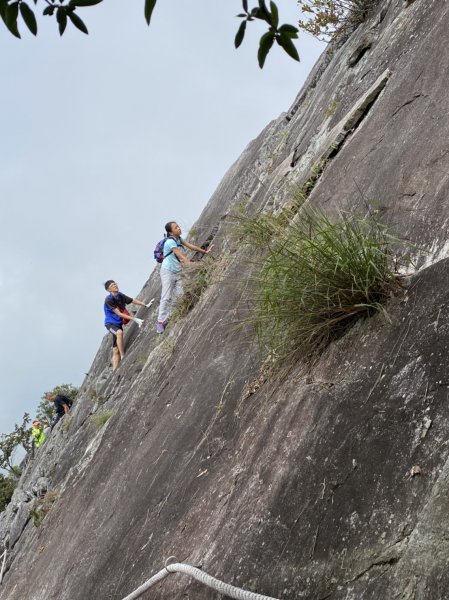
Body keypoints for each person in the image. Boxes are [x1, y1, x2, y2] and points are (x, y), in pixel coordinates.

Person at [156, 221, 213, 334]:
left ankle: (169, 317)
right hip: (167, 271)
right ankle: (160, 322)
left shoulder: (179, 239)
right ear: (170, 232)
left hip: (177, 271)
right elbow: (180, 255)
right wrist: (190, 264)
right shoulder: (170, 242)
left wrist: (205, 251)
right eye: (176, 227)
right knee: (166, 296)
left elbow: (191, 246)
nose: (179, 228)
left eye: (178, 226)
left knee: (180, 295)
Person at [104, 280, 153, 370]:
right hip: (110, 324)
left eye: (115, 284)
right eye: (112, 285)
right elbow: (118, 314)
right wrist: (134, 319)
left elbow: (132, 300)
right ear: (108, 289)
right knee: (119, 333)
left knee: (115, 350)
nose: (115, 286)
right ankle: (123, 356)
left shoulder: (120, 295)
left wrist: (145, 305)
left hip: (118, 324)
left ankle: (114, 371)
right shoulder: (109, 300)